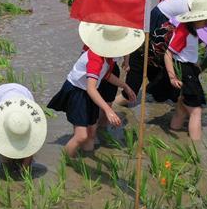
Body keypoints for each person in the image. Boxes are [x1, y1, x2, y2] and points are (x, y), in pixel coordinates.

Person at [47, 23, 142, 157]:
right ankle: (66, 163)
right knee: (81, 136)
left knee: (91, 132)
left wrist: (125, 86)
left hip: (88, 92)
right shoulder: (95, 57)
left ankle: (86, 163)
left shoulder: (107, 57)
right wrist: (108, 110)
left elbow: (107, 75)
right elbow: (91, 88)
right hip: (77, 92)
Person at [154, 0, 207, 141]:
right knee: (196, 111)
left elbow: (186, 53)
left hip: (188, 69)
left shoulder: (192, 29)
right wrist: (172, 77)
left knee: (182, 110)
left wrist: (195, 64)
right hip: (184, 72)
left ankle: (173, 137)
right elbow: (168, 54)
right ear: (197, 17)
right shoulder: (183, 31)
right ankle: (196, 150)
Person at [0, 83, 47, 171]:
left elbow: (32, 146)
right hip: (0, 94)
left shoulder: (32, 121)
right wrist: (6, 166)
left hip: (23, 94)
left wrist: (24, 170)